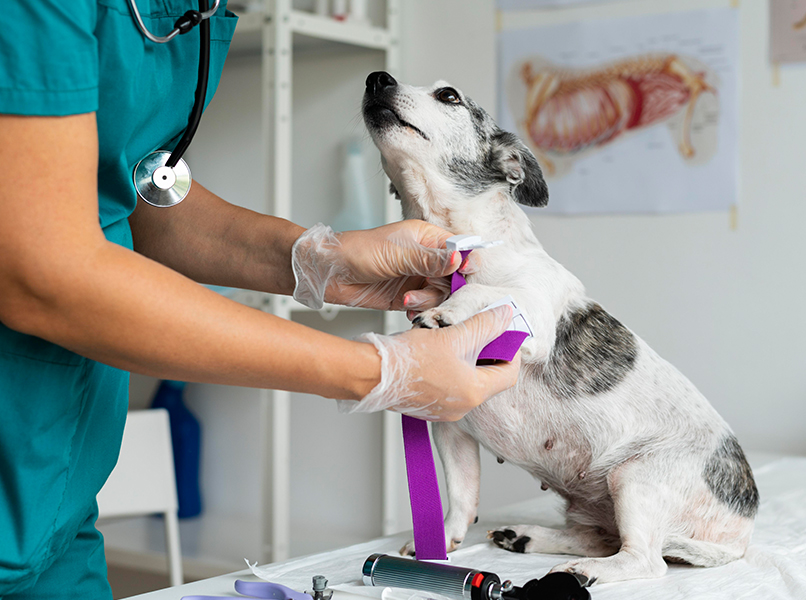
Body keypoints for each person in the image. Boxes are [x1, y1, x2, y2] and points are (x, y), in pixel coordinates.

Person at [0, 2, 521, 598]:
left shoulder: (201, 15)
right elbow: (45, 271)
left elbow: (133, 189)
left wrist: (320, 261)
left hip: (58, 516)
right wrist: (380, 370)